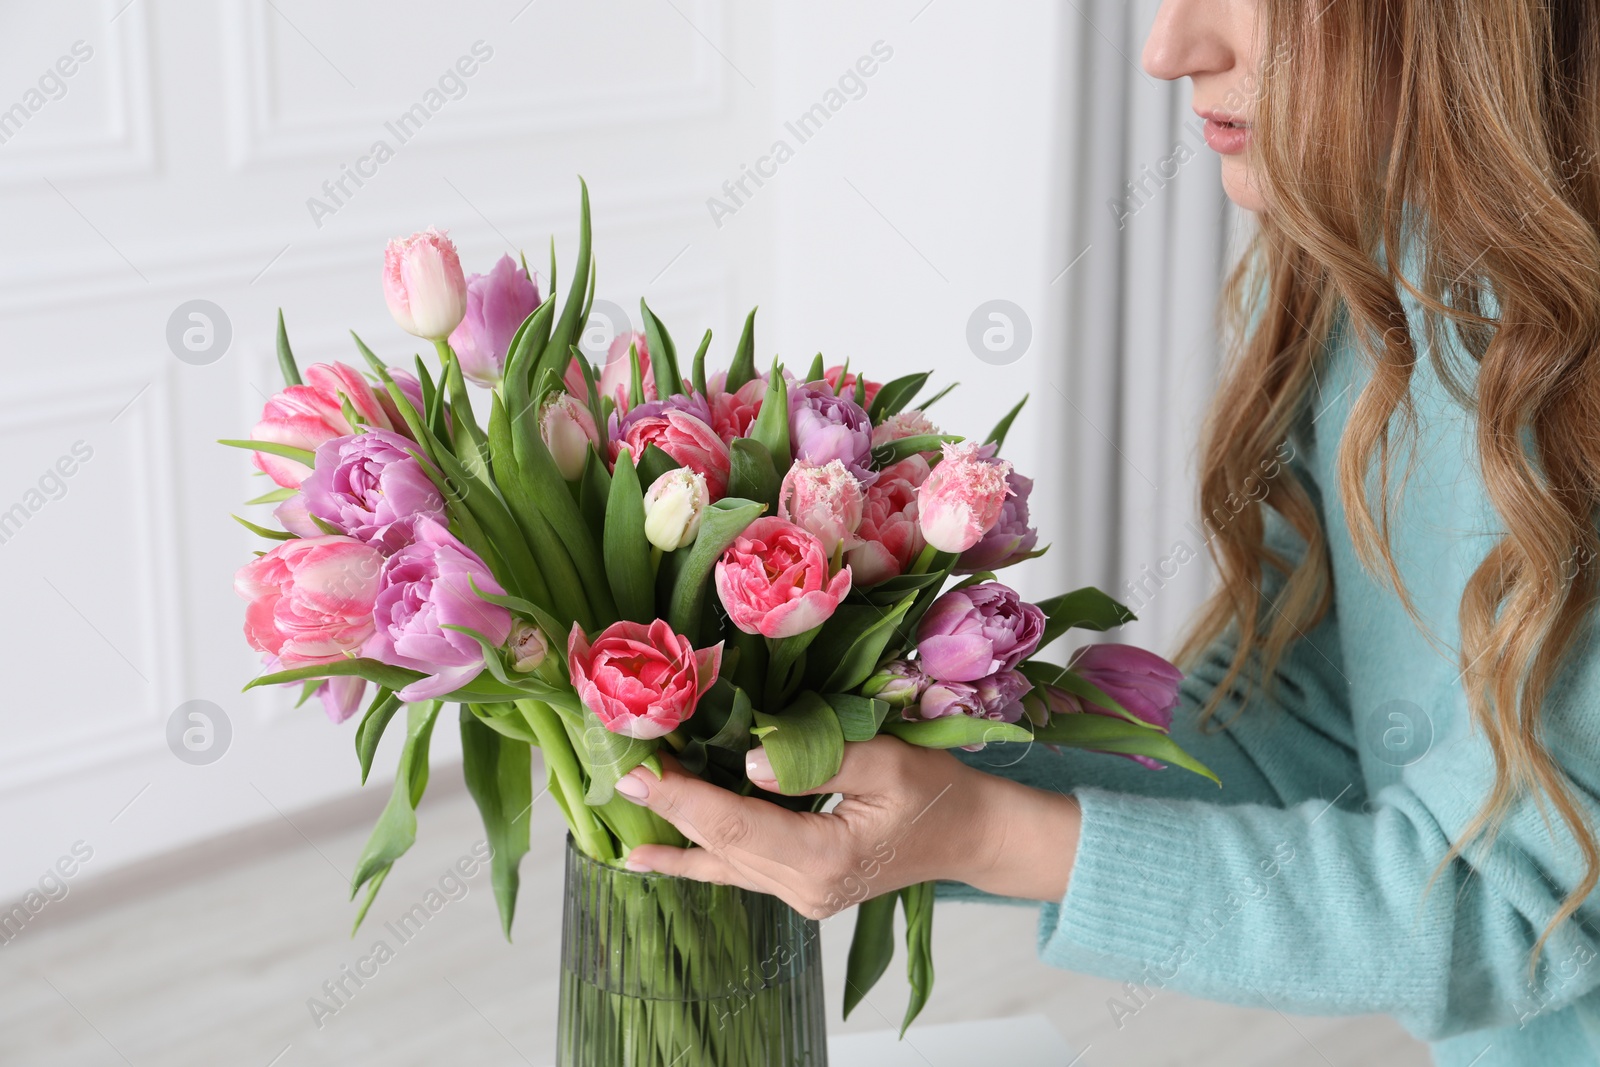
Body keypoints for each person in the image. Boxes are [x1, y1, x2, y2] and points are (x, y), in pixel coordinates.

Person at [613, 2, 1600, 1062]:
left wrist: (990, 835)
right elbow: (1309, 733)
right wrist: (852, 748)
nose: (1169, 51)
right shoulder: (1368, 251)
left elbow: (1527, 907)